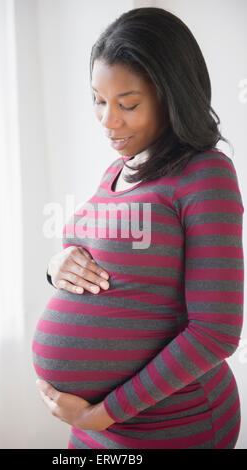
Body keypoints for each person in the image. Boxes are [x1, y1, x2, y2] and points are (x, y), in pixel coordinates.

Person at [33, 7, 244, 449]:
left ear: (172, 96)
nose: (108, 121)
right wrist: (57, 264)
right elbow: (89, 250)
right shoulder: (119, 169)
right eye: (98, 99)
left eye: (128, 104)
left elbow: (216, 331)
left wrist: (102, 413)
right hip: (96, 431)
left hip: (172, 426)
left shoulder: (205, 174)